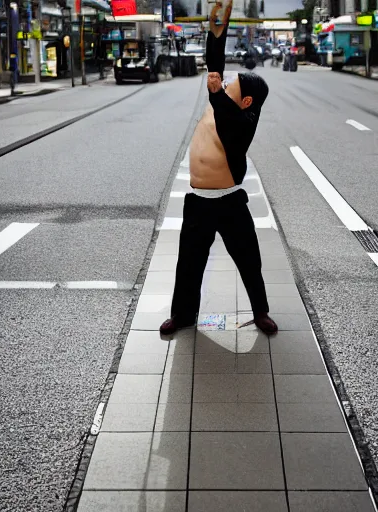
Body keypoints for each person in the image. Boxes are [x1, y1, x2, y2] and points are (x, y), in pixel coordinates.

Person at [160, 0, 277, 336]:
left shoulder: (244, 120)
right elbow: (215, 68)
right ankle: (183, 314)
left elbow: (230, 123)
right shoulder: (222, 102)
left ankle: (260, 312)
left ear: (246, 102)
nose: (222, 87)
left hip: (229, 202)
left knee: (248, 261)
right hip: (198, 200)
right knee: (189, 265)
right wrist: (217, 30)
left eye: (230, 89)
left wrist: (217, 95)